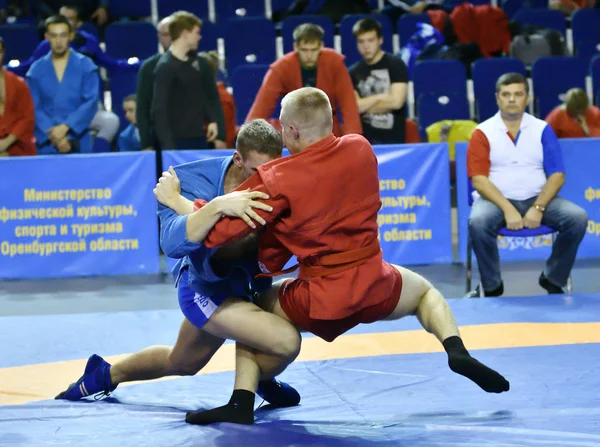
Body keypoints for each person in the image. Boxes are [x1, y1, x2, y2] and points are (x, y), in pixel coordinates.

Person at [158, 87, 511, 426]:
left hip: (321, 297)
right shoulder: (361, 147)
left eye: (283, 128)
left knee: (252, 306)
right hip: (375, 281)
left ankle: (242, 400)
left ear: (292, 130)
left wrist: (182, 204)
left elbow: (219, 234)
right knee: (424, 293)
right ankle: (454, 348)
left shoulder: (279, 176)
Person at [55, 120, 301, 413]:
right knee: (277, 338)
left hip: (243, 287)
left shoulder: (279, 181)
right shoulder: (188, 179)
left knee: (183, 362)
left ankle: (105, 374)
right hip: (203, 289)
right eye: (255, 171)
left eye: (269, 171)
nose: (263, 180)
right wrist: (217, 205)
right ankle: (257, 380)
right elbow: (173, 244)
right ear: (237, 158)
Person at [466, 73, 588, 298]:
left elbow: (557, 175)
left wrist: (539, 207)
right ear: (497, 98)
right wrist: (508, 208)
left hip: (537, 198)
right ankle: (491, 286)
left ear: (527, 98)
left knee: (577, 218)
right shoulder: (482, 131)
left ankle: (553, 277)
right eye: (506, 94)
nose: (512, 99)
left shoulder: (543, 129)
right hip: (496, 200)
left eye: (518, 94)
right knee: (478, 221)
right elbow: (479, 180)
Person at [246, 23, 361, 137]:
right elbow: (260, 109)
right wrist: (250, 138)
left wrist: (353, 140)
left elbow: (348, 105)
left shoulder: (335, 63)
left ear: (321, 46)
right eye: (304, 50)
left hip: (328, 131)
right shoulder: (281, 68)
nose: (309, 55)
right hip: (294, 132)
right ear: (296, 47)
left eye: (314, 50)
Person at [152, 11, 225, 151]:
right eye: (196, 32)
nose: (199, 37)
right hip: (176, 141)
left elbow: (205, 96)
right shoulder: (165, 67)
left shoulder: (197, 64)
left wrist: (213, 121)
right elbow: (159, 110)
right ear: (185, 33)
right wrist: (169, 147)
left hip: (199, 137)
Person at [26, 15, 99, 154]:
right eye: (54, 36)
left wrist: (66, 127)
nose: (58, 41)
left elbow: (90, 102)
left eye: (63, 35)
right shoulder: (35, 70)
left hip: (78, 138)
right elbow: (33, 107)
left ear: (71, 36)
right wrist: (56, 136)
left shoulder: (86, 66)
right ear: (46, 37)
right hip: (48, 140)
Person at [349, 18, 409, 145]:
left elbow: (397, 102)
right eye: (361, 41)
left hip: (394, 141)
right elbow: (354, 108)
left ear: (380, 40)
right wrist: (381, 97)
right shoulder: (352, 72)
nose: (366, 46)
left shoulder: (396, 64)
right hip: (365, 142)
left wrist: (365, 104)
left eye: (370, 40)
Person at [136, 15, 172, 151]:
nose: (170, 38)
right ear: (159, 37)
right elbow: (142, 107)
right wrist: (146, 143)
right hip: (158, 138)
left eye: (173, 33)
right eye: (165, 34)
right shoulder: (149, 67)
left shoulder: (195, 64)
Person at [0, 37, 36, 156]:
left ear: (3, 53)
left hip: (15, 148)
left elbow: (27, 117)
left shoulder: (18, 84)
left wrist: (6, 143)